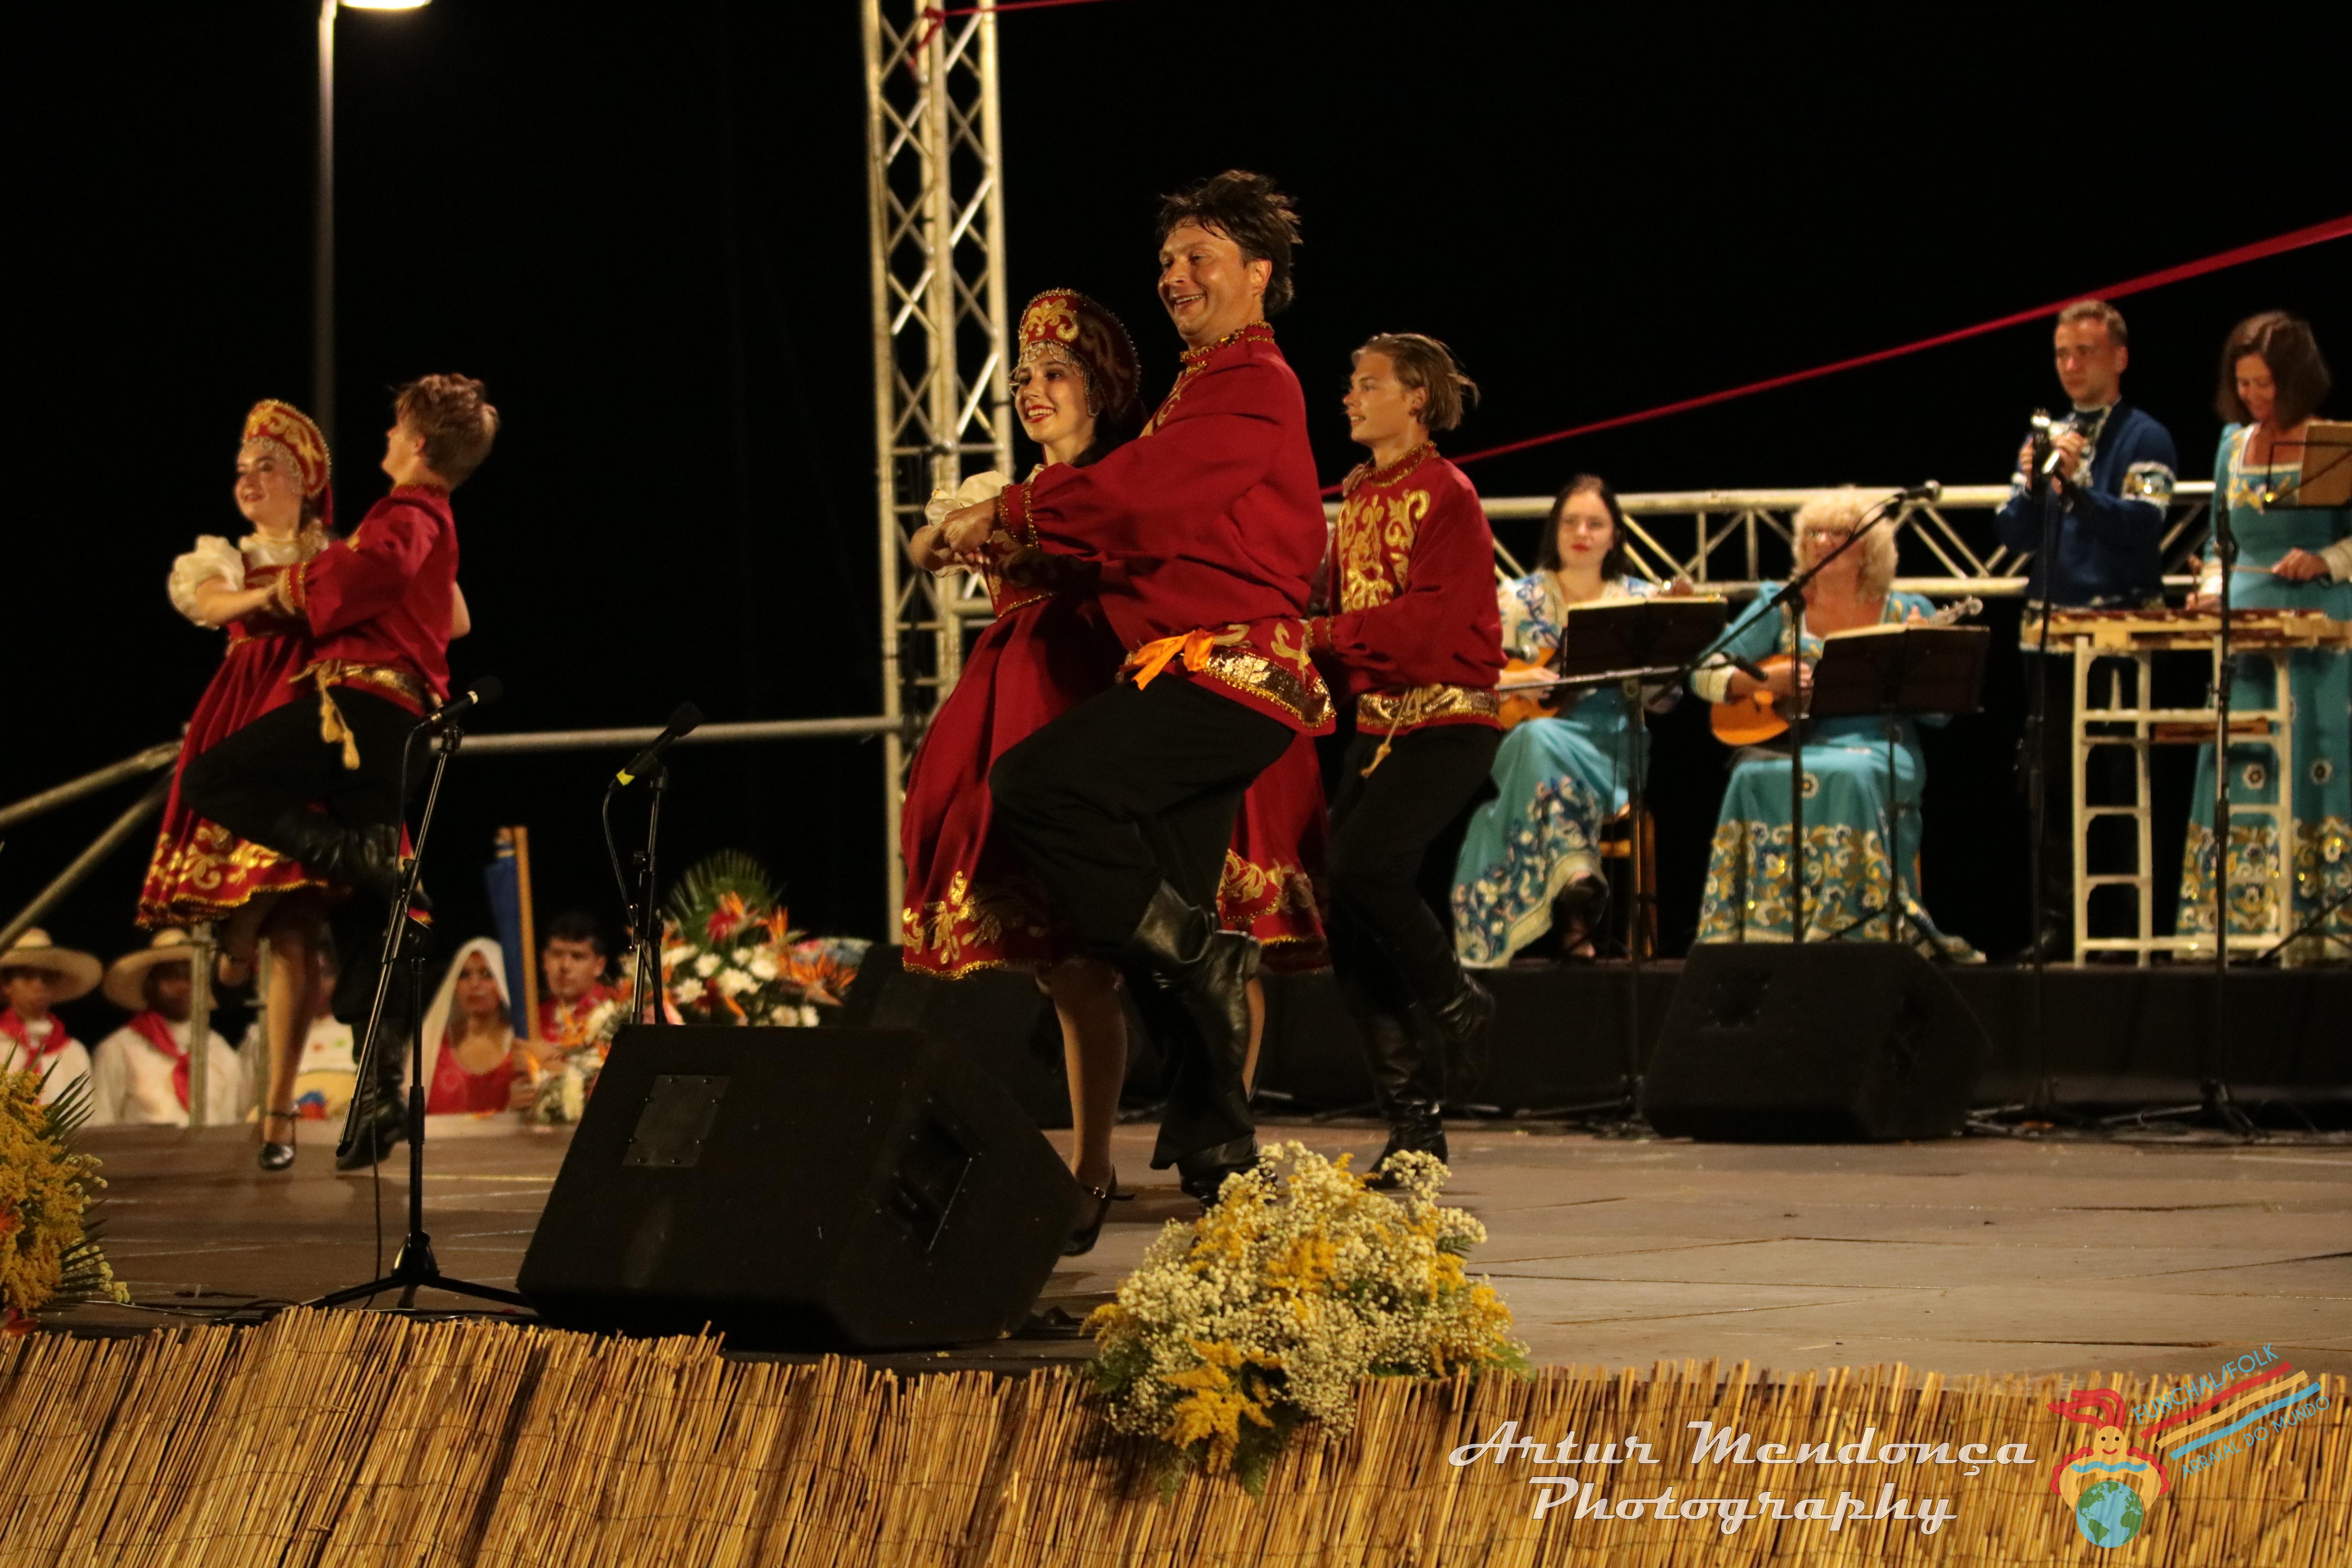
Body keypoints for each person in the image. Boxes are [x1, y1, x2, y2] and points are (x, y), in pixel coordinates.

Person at [943, 171, 1332, 1205]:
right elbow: (1145, 533)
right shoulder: (1199, 389)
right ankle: (1221, 1158)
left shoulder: (1255, 380)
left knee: (1038, 787)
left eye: (1198, 256)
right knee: (1167, 912)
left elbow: (1148, 501)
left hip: (1232, 675)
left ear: (1259, 272)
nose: (1175, 275)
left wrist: (1016, 512)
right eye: (1167, 260)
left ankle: (1203, 958)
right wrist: (1009, 537)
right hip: (1191, 669)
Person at [178, 374, 497, 1167]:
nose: (384, 438)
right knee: (368, 918)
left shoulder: (406, 511)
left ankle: (358, 859)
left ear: (416, 444)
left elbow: (368, 575)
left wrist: (304, 582)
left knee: (212, 780)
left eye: (394, 428)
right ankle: (382, 1091)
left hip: (363, 709)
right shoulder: (426, 518)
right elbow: (448, 611)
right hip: (396, 719)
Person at [902, 288, 1143, 1252]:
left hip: (1082, 690)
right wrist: (953, 531)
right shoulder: (1004, 487)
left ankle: (1097, 1164)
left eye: (1054, 375)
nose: (1033, 391)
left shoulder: (1115, 482)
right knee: (1056, 964)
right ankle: (1085, 1165)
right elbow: (924, 544)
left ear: (1097, 390)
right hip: (1008, 698)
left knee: (1088, 962)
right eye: (1024, 379)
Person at [1304, 333, 1504, 1177]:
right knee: (1344, 913)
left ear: (1416, 396)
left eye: (1368, 383)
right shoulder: (1356, 494)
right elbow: (1335, 609)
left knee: (1363, 865)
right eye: (1352, 384)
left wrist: (1322, 635)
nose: (1350, 396)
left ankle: (1457, 999)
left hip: (1449, 721)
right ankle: (1414, 1126)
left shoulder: (1446, 493)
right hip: (1381, 727)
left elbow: (1427, 624)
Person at [140, 398, 339, 1168]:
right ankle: (238, 927)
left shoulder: (340, 554)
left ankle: (278, 1111)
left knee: (300, 923)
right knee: (264, 891)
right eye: (241, 470)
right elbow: (210, 601)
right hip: (249, 718)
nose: (248, 481)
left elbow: (439, 613)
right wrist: (276, 595)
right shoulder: (230, 555)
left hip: (320, 723)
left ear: (304, 480)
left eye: (267, 467)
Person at [1691, 489, 1977, 958]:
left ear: (1870, 549)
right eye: (1813, 533)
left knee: (1852, 773)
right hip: (1795, 745)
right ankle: (1756, 930)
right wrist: (1761, 680)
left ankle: (1856, 927)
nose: (1823, 542)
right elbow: (1703, 672)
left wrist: (1910, 666)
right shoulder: (1782, 604)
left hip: (1881, 746)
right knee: (1747, 775)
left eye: (1839, 533)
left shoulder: (1908, 610)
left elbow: (1940, 713)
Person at [1991, 300, 2179, 959]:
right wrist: (2033, 485)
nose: (2071, 366)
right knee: (2052, 780)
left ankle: (2125, 925)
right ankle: (2058, 923)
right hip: (2050, 631)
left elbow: (2143, 527)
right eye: (2062, 354)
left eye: (2085, 352)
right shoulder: (2048, 436)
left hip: (2118, 634)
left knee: (2119, 779)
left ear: (2119, 358)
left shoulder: (2147, 437)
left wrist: (2075, 489)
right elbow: (2011, 533)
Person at [2179, 312, 2350, 964]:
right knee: (2244, 761)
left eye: (2266, 384)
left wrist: (2325, 559)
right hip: (2246, 629)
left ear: (2296, 380)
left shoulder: (2333, 444)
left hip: (2317, 628)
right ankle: (2239, 923)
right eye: (2244, 384)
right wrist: (2212, 588)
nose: (2253, 396)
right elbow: (2221, 544)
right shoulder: (2232, 445)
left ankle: (2318, 926)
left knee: (2312, 760)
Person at [1455, 475, 1676, 968]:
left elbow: (1667, 702)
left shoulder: (1640, 601)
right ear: (1555, 530)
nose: (1582, 533)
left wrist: (1657, 658)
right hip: (1527, 742)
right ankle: (1578, 893)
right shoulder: (1516, 598)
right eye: (1571, 522)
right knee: (1535, 735)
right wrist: (1520, 680)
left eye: (1596, 524)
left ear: (1615, 536)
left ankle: (1576, 902)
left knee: (1536, 742)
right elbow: (1473, 678)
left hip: (1612, 745)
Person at [87, 929, 245, 1127]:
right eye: (172, 977)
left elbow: (227, 1128)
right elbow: (101, 1125)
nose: (184, 986)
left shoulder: (221, 1053)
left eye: (191, 977)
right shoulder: (119, 1049)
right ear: (150, 986)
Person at [419, 938, 528, 1114]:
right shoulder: (432, 1044)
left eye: (487, 974)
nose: (475, 984)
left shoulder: (523, 1044)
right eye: (464, 975)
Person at [0, 930, 101, 1103]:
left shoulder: (73, 1052)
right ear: (7, 985)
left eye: (47, 978)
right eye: (27, 976)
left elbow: (88, 1114)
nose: (38, 985)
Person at [535, 910, 620, 1049]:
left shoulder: (618, 1012)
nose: (565, 966)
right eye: (557, 954)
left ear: (599, 966)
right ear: (544, 960)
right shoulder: (533, 1018)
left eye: (578, 957)